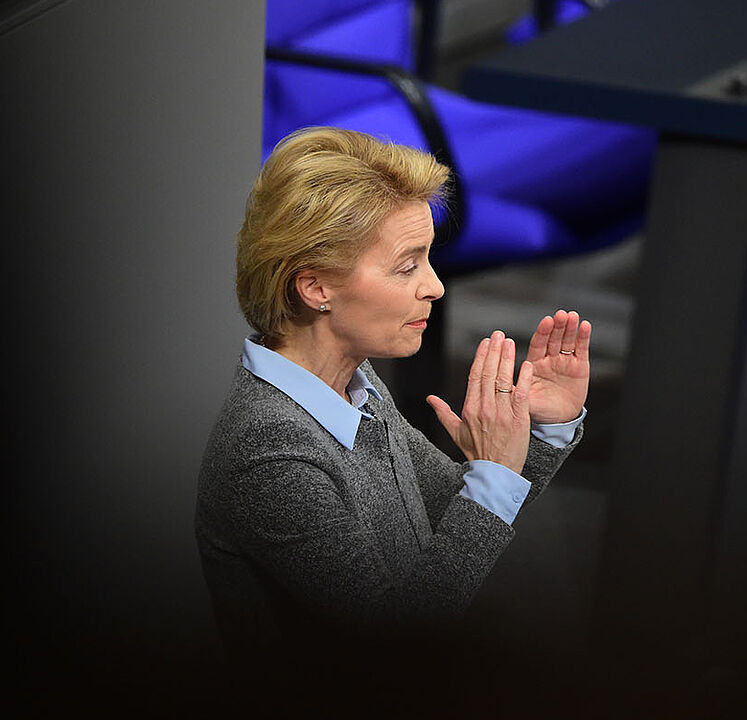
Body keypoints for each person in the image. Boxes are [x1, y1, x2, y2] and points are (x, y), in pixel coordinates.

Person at [195, 127, 591, 700]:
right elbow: (395, 645)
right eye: (407, 266)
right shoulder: (269, 452)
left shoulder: (356, 387)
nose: (435, 287)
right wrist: (494, 475)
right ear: (315, 287)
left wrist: (541, 429)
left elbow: (454, 521)